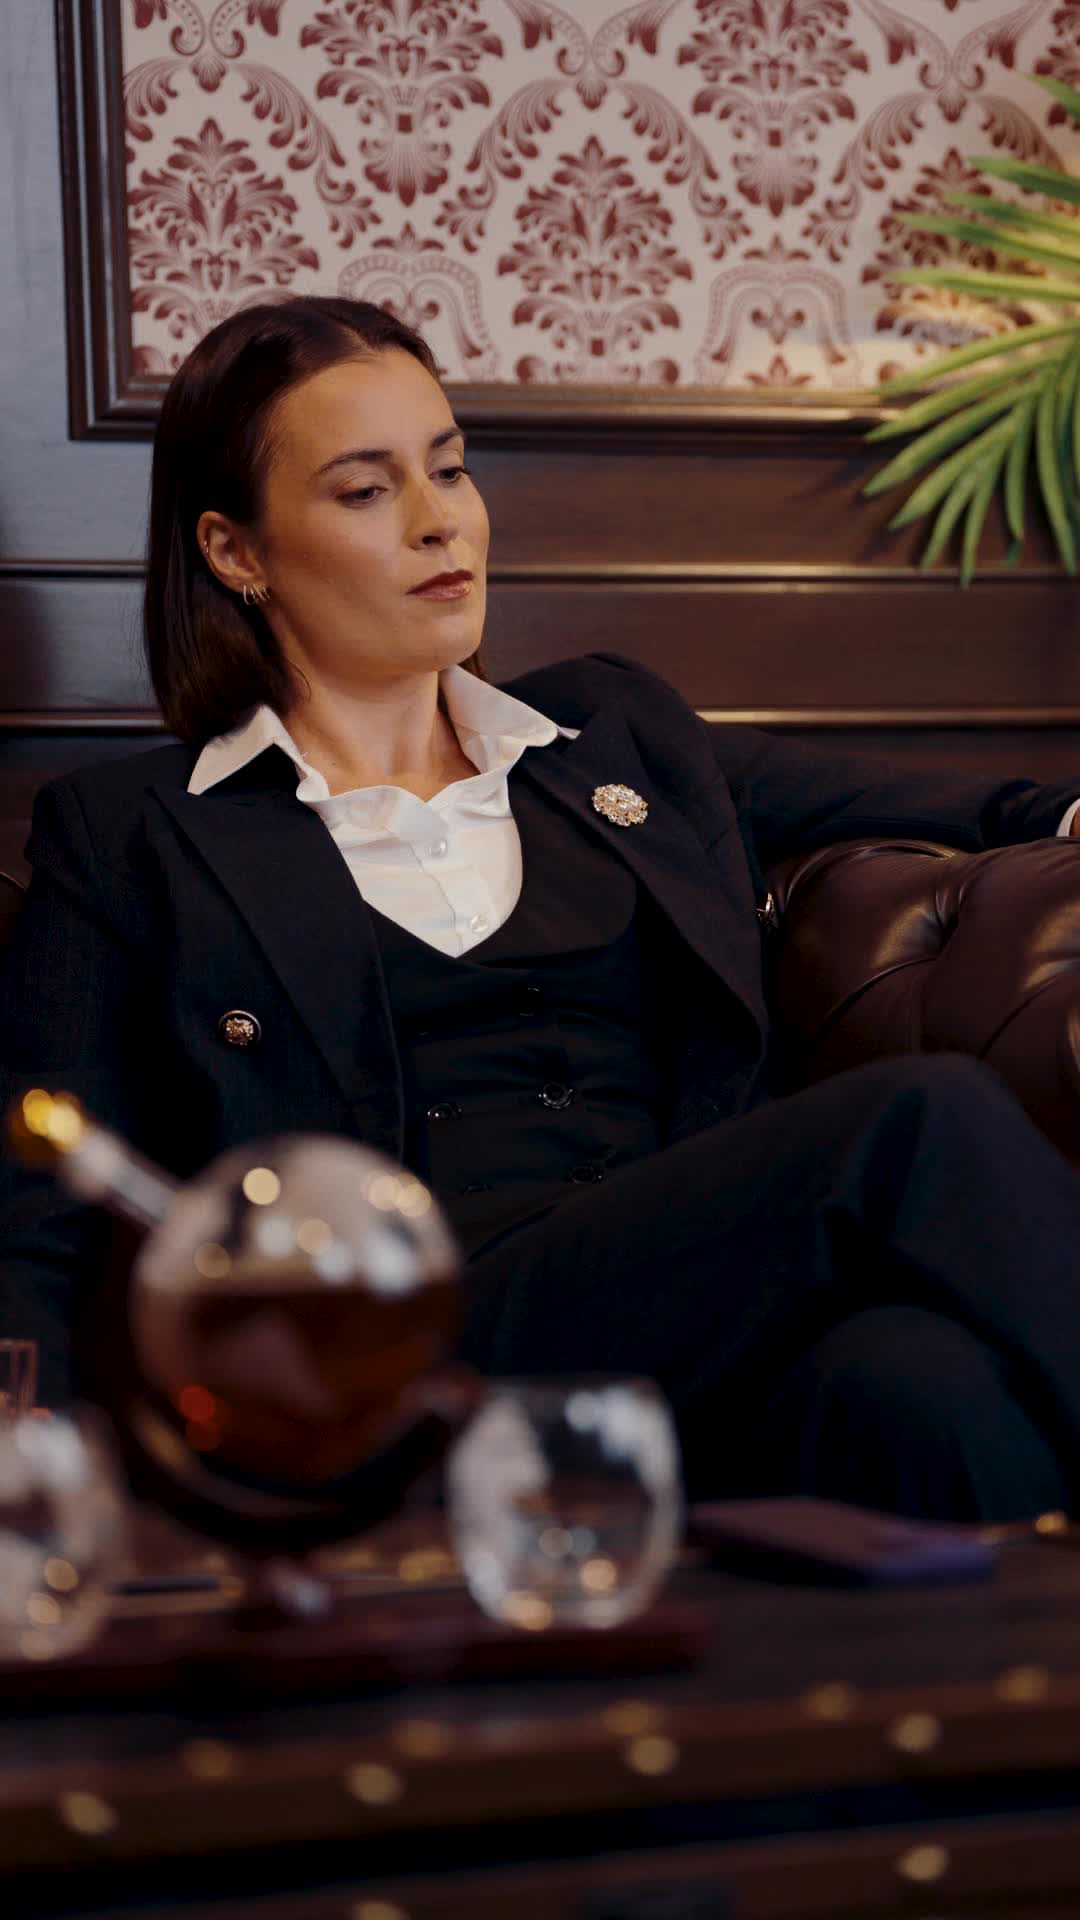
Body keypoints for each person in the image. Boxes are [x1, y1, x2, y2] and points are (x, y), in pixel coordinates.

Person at [3, 293, 1080, 1524]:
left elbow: (954, 804)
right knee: (920, 1118)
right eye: (366, 490)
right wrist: (35, 1492)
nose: (438, 520)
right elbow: (38, 1217)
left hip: (688, 1318)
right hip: (399, 1365)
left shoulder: (612, 737)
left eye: (450, 468)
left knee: (926, 1389)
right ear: (235, 551)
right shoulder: (136, 833)